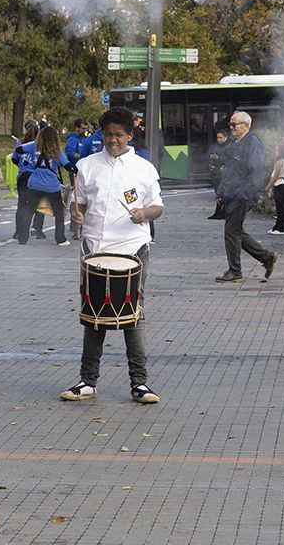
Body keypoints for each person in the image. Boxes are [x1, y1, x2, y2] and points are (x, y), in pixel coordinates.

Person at [61, 107, 164, 404]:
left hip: (133, 249)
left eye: (118, 134)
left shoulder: (143, 168)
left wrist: (144, 213)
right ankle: (87, 382)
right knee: (94, 315)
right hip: (95, 249)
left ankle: (140, 384)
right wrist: (75, 216)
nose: (112, 140)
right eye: (107, 134)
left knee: (133, 316)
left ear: (130, 135)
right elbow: (76, 203)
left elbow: (157, 206)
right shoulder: (87, 166)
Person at [216, 111, 277, 283]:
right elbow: (229, 171)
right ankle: (266, 257)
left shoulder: (252, 143)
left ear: (246, 126)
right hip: (233, 193)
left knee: (231, 232)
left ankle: (235, 271)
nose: (231, 128)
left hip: (240, 194)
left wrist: (247, 195)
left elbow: (256, 171)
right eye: (230, 124)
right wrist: (221, 191)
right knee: (237, 232)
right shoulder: (237, 143)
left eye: (234, 124)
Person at [16, 125, 75, 246]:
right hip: (51, 185)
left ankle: (23, 237)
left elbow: (19, 150)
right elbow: (68, 165)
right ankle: (60, 238)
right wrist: (76, 170)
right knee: (59, 212)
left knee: (30, 209)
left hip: (34, 182)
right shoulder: (56, 151)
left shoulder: (33, 146)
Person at [12, 121, 46, 242]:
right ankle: (37, 229)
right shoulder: (40, 145)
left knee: (22, 204)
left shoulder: (20, 144)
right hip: (36, 176)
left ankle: (19, 230)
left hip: (23, 176)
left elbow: (14, 159)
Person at [264, 143, 284, 235]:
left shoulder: (279, 162)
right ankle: (277, 226)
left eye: (276, 150)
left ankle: (281, 228)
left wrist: (268, 186)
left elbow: (275, 176)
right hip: (281, 185)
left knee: (280, 209)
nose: (275, 152)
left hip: (279, 185)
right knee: (279, 208)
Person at [207, 129, 229, 220]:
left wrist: (218, 158)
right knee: (218, 192)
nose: (219, 139)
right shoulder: (215, 147)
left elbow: (228, 159)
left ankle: (222, 211)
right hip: (215, 171)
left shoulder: (228, 147)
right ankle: (219, 211)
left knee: (222, 192)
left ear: (225, 137)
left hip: (223, 172)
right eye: (218, 138)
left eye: (221, 138)